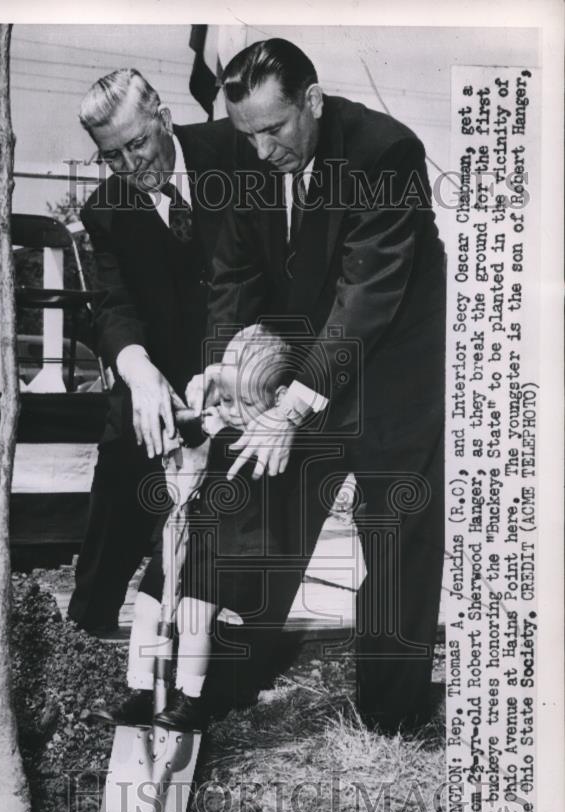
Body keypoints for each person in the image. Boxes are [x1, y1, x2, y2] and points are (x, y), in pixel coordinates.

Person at [203, 38, 446, 734]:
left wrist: (293, 403)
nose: (259, 152)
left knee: (394, 537)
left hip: (393, 372)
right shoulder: (251, 155)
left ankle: (392, 714)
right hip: (308, 372)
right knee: (269, 517)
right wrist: (227, 363)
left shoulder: (384, 152)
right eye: (245, 134)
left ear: (311, 101)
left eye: (273, 130)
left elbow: (366, 294)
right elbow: (232, 270)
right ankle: (226, 685)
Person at [67, 69, 237, 636]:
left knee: (218, 518)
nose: (131, 166)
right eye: (111, 156)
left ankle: (191, 626)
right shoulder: (106, 209)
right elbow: (113, 305)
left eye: (138, 143)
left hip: (244, 359)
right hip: (158, 365)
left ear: (163, 118)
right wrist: (138, 372)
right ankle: (86, 630)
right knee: (121, 460)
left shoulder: (237, 153)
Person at [93, 325, 296, 730]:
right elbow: (192, 428)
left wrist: (207, 428)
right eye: (227, 398)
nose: (231, 409)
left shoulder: (264, 439)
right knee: (148, 606)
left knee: (191, 616)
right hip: (179, 536)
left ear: (275, 401)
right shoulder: (216, 417)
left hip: (224, 549)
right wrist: (183, 415)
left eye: (245, 403)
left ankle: (191, 699)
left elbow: (223, 445)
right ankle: (143, 690)